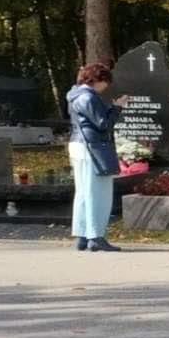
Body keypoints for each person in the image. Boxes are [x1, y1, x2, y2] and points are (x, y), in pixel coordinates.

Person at [66, 62, 127, 252]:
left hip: (78, 144)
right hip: (92, 148)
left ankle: (82, 235)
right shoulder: (88, 97)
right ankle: (96, 235)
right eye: (105, 82)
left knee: (83, 193)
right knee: (98, 193)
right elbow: (103, 124)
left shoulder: (74, 95)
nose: (106, 86)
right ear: (97, 80)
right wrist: (117, 107)